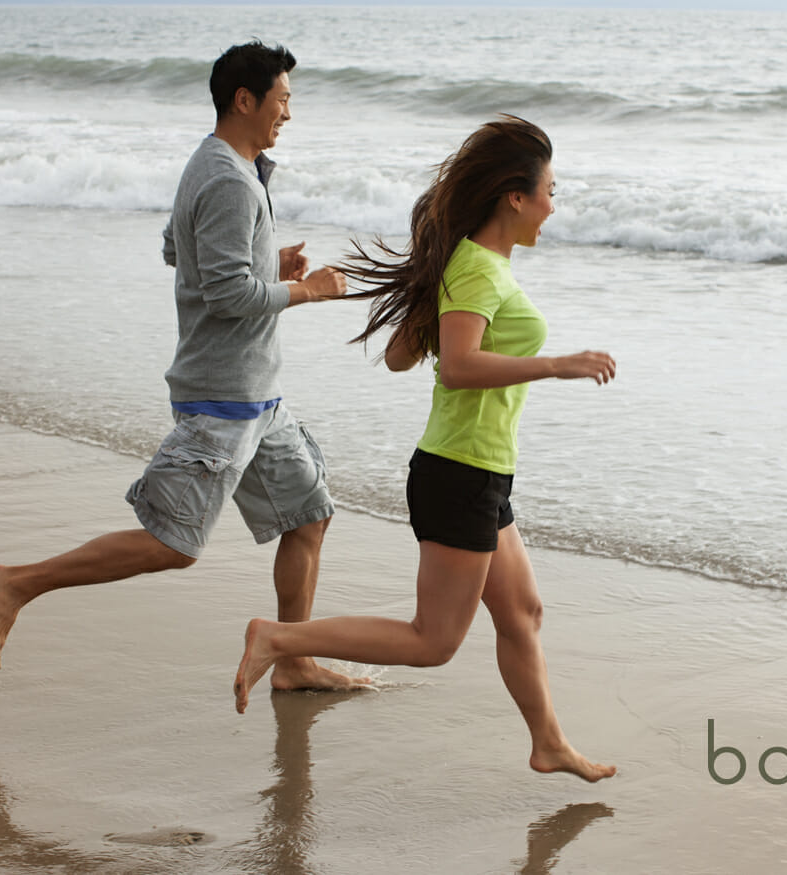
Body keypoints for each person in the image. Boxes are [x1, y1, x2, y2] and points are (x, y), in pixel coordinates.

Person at [233, 116, 617, 782]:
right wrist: (555, 364)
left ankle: (548, 742)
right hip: (459, 472)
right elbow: (462, 366)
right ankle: (279, 639)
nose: (555, 205)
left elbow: (400, 357)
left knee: (522, 611)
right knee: (432, 641)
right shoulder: (474, 269)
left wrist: (426, 303)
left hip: (482, 469)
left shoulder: (471, 263)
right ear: (514, 196)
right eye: (550, 189)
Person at [0, 41, 365, 695]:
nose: (288, 114)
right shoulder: (226, 179)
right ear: (245, 100)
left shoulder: (221, 164)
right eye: (283, 100)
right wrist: (309, 289)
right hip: (220, 398)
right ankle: (18, 581)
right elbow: (225, 295)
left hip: (258, 396)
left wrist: (267, 264)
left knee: (309, 513)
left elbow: (175, 248)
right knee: (173, 544)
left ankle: (293, 660)